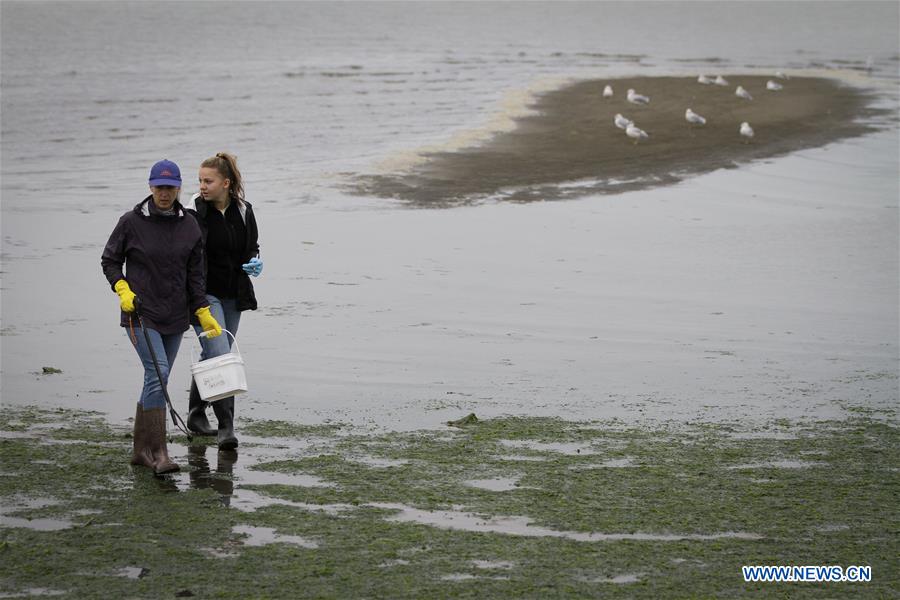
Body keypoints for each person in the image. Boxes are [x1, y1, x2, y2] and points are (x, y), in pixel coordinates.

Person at [101, 159, 223, 474]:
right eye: (159, 187)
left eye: (169, 188)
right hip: (140, 313)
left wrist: (202, 311)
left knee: (157, 377)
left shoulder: (189, 225)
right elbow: (110, 260)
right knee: (159, 374)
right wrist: (122, 289)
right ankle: (160, 453)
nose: (164, 193)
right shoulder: (131, 222)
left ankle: (140, 452)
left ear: (179, 188)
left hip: (176, 314)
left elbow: (196, 275)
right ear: (150, 187)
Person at [184, 152, 261, 450]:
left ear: (225, 183)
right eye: (200, 180)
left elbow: (251, 246)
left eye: (208, 181)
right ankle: (226, 426)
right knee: (221, 357)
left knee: (217, 354)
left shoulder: (244, 209)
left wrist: (255, 261)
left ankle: (195, 412)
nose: (202, 186)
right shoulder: (193, 210)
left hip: (234, 293)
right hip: (204, 295)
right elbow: (184, 250)